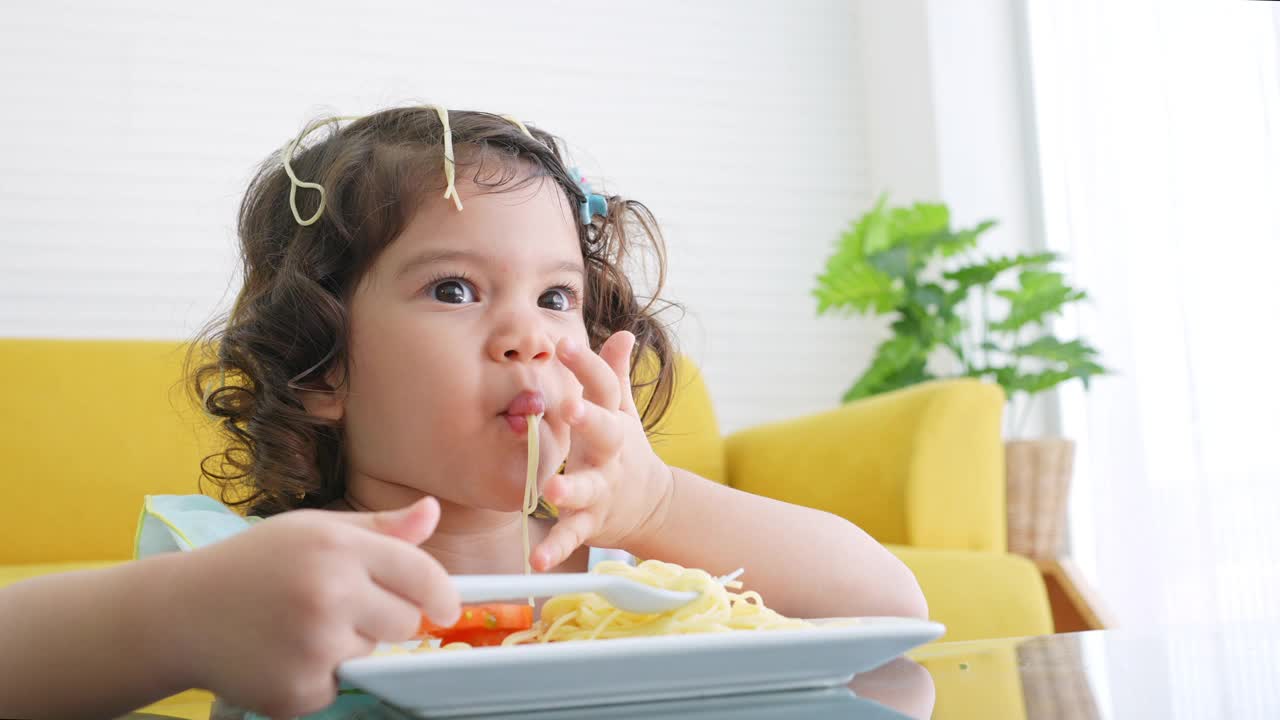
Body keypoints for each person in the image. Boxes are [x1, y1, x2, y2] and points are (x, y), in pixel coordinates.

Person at [0, 106, 927, 719]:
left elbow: (890, 609)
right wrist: (174, 620)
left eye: (558, 298)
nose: (529, 335)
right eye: (454, 289)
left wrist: (657, 508)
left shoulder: (619, 583)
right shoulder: (254, 574)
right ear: (324, 368)